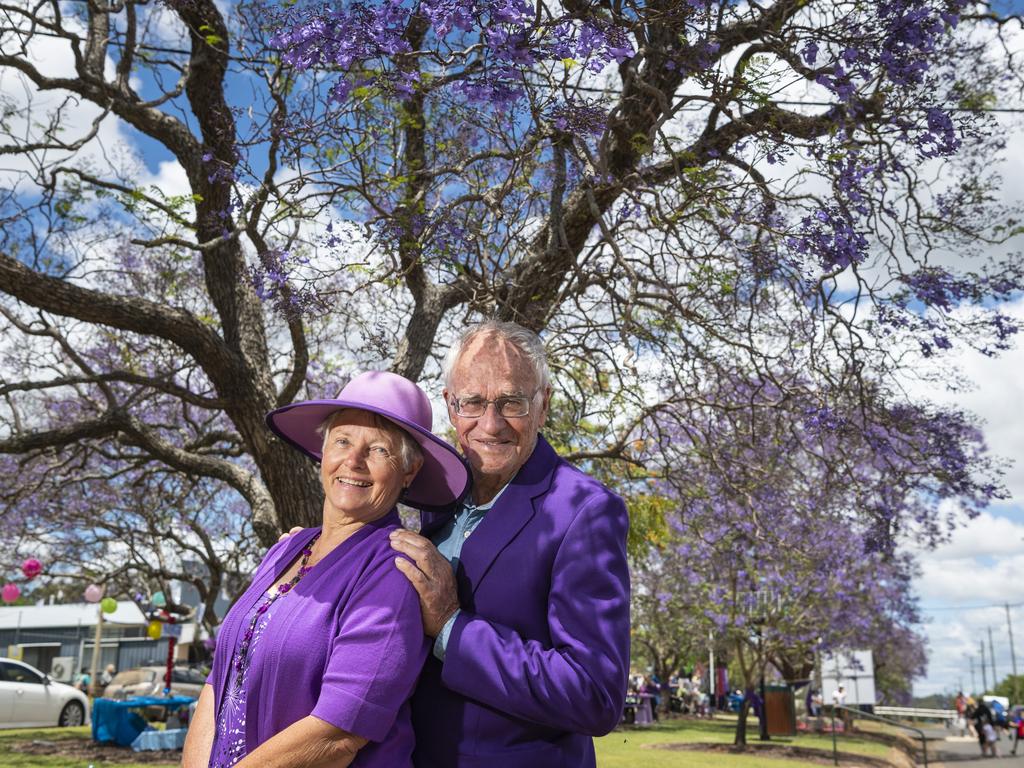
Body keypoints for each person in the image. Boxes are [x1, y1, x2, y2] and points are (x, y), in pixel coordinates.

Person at [181, 371, 470, 768]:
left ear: (410, 471)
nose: (354, 460)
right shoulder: (287, 550)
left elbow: (337, 735)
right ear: (323, 450)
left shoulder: (393, 570)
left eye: (379, 450)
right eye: (343, 440)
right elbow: (221, 678)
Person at [388, 320, 631, 767]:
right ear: (450, 406)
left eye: (511, 402)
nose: (491, 423)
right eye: (473, 402)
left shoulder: (586, 511)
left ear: (543, 405)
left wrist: (450, 626)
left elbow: (595, 692)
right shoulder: (438, 496)